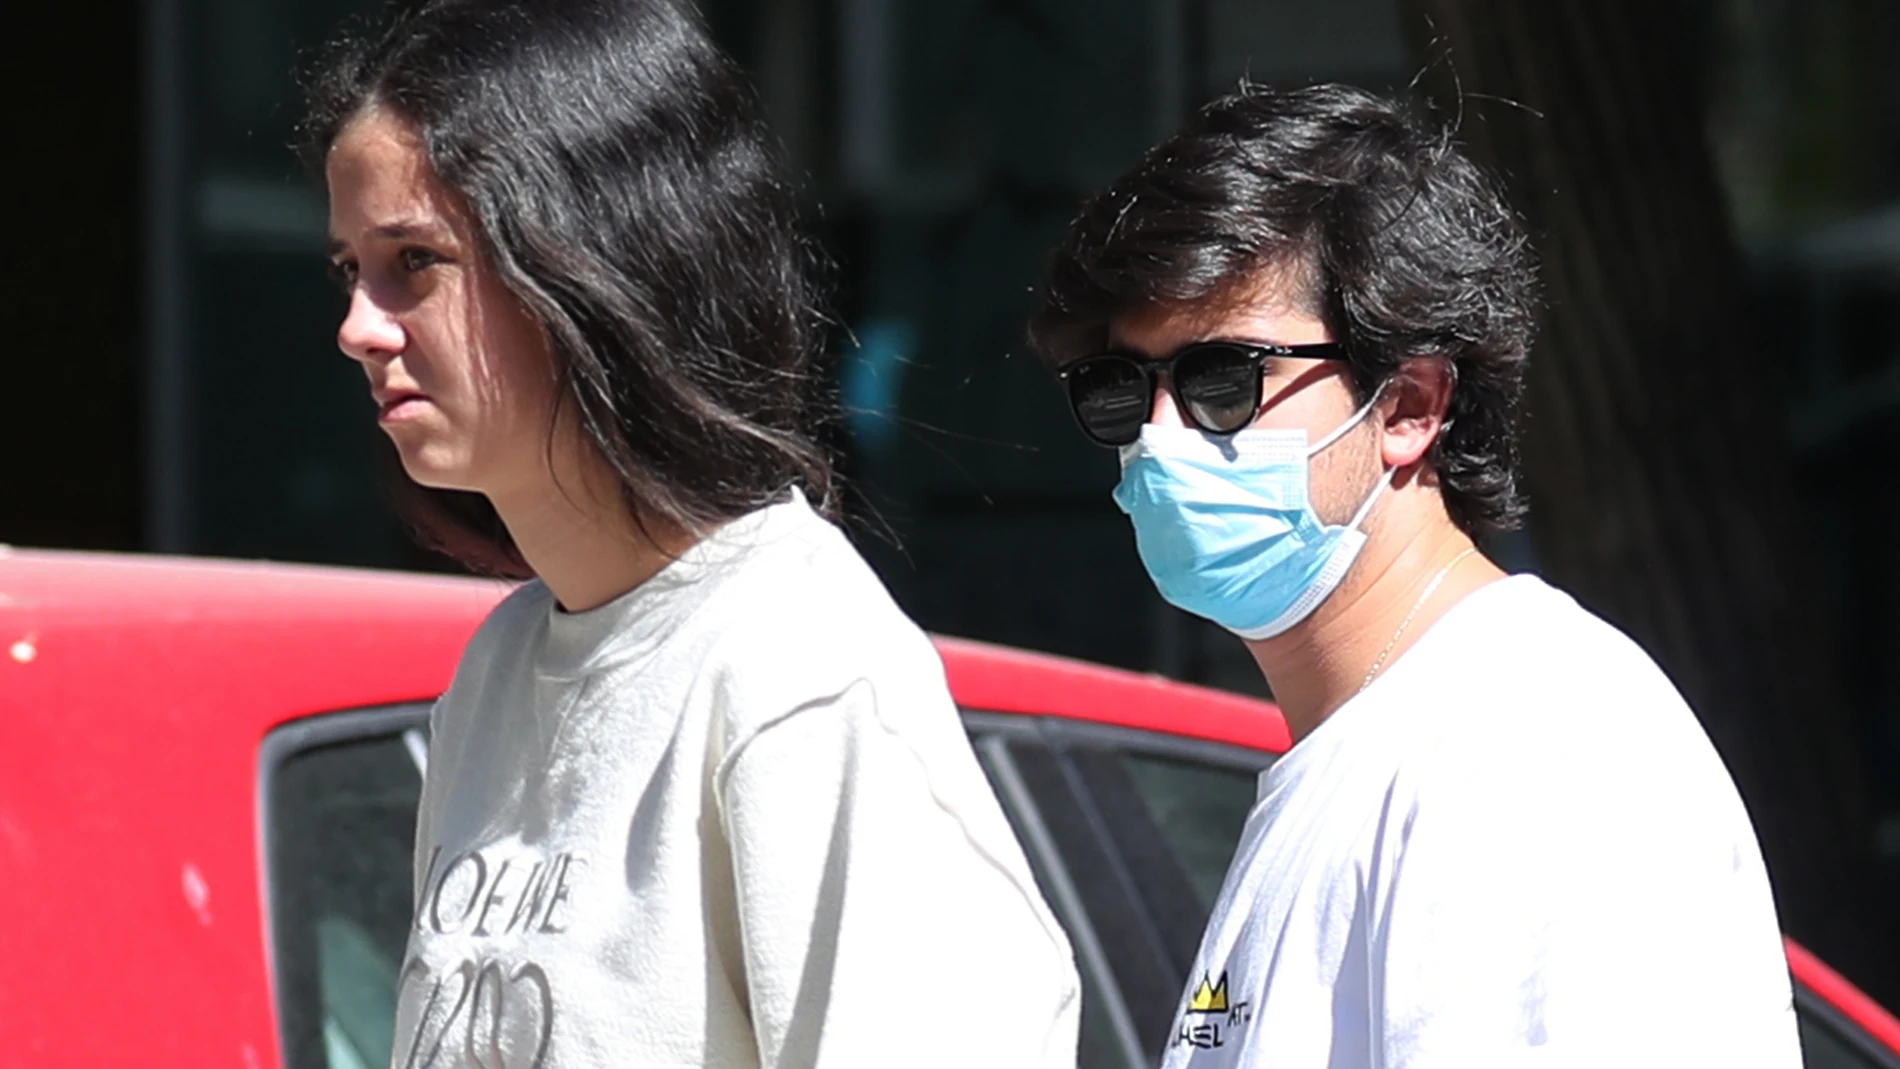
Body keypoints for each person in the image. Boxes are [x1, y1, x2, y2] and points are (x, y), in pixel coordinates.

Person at [305, 2, 1080, 1066]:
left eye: (416, 261)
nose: (358, 327)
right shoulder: (496, 671)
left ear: (587, 254)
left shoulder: (791, 664)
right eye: (351, 268)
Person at [1029, 82, 1800, 1067]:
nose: (1159, 436)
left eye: (1223, 380)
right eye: (1119, 389)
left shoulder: (1529, 744)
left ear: (1408, 405)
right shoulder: (1376, 749)